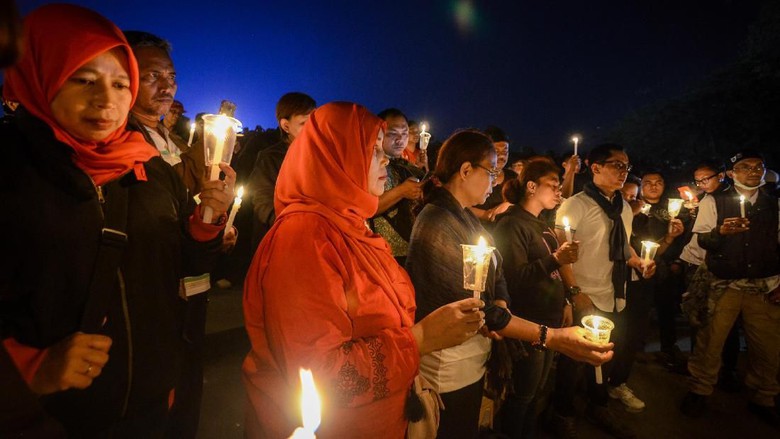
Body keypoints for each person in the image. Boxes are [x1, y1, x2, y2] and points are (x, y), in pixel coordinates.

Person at [0, 4, 235, 436]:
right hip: (53, 416)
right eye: (84, 80)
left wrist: (206, 222)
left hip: (149, 400)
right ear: (39, 74)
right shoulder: (12, 173)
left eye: (120, 83)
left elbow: (181, 265)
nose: (106, 100)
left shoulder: (146, 164)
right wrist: (27, 367)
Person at [242, 102, 487, 438]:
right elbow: (320, 377)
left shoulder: (350, 226)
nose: (385, 157)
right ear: (335, 158)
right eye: (372, 150)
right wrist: (421, 339)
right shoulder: (304, 239)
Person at [406, 130, 613, 439]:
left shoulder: (463, 216)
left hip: (471, 352)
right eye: (491, 172)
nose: (496, 181)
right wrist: (552, 337)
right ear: (465, 170)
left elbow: (496, 267)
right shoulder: (437, 222)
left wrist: (501, 300)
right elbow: (474, 307)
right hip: (448, 362)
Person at [552, 143, 656, 439]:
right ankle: (562, 411)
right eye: (616, 165)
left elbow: (623, 245)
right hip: (584, 291)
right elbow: (561, 252)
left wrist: (638, 262)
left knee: (603, 353)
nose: (623, 172)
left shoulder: (623, 205)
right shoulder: (575, 205)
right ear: (594, 167)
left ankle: (598, 406)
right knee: (573, 359)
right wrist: (574, 291)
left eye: (626, 167)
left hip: (613, 291)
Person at [681, 150, 780, 427]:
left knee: (767, 347)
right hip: (723, 283)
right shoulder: (715, 200)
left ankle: (764, 396)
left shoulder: (774, 205)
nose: (753, 171)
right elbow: (702, 240)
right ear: (733, 173)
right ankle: (699, 390)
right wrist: (720, 234)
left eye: (758, 166)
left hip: (764, 285)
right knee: (710, 341)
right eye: (745, 167)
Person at [493, 159, 580, 438]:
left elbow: (554, 274)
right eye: (553, 186)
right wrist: (555, 259)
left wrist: (566, 300)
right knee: (522, 395)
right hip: (528, 322)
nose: (559, 192)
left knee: (536, 391)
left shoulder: (540, 224)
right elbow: (515, 279)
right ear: (531, 186)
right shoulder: (511, 225)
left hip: (551, 319)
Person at [679, 158, 742, 392]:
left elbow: (709, 238)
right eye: (698, 181)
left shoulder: (723, 199)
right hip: (697, 262)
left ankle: (719, 370)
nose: (702, 184)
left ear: (722, 175)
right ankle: (709, 369)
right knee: (701, 318)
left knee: (713, 319)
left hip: (714, 266)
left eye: (706, 178)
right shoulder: (705, 201)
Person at [246, 91, 316, 250]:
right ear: (286, 125)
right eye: (304, 124)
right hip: (279, 240)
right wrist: (291, 226)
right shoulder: (271, 158)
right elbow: (263, 200)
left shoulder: (319, 155)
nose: (313, 129)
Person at [371, 108, 425, 264]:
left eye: (405, 134)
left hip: (411, 251)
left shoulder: (404, 165)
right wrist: (401, 191)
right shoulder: (370, 165)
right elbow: (365, 207)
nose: (401, 140)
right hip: (384, 253)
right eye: (393, 134)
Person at [470, 125, 518, 225]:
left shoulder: (513, 178)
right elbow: (460, 204)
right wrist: (486, 214)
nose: (502, 156)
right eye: (496, 151)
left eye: (505, 151)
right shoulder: (474, 175)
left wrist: (508, 205)